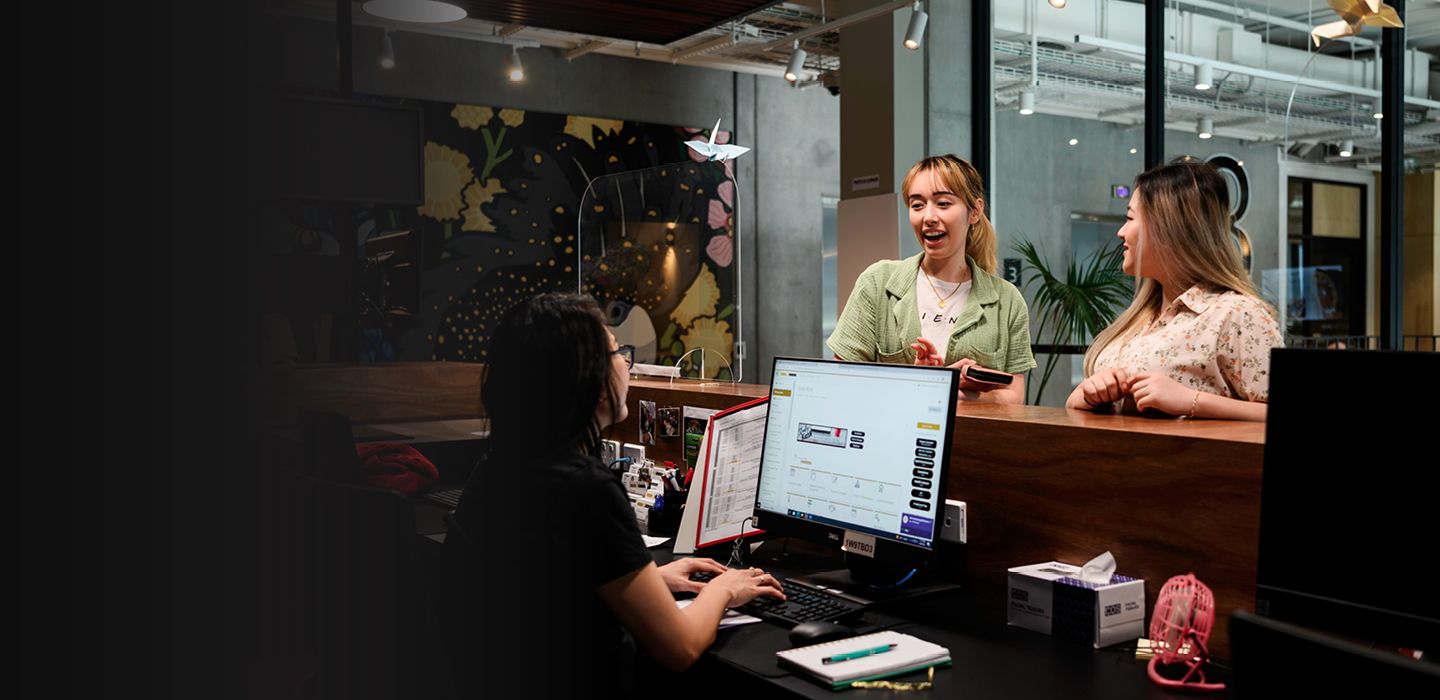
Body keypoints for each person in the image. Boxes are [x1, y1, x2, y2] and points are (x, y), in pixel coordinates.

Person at [443, 293, 784, 697]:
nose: (625, 362)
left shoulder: (500, 464)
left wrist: (648, 580)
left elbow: (545, 587)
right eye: (617, 352)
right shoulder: (585, 489)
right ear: (587, 379)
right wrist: (724, 590)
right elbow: (681, 647)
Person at [1066, 159, 1283, 421]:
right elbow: (1080, 406)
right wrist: (1085, 395)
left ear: (1167, 227)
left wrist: (1191, 401)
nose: (1121, 232)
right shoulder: (1141, 318)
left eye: (1130, 218)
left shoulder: (1238, 314)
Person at [828, 154, 1036, 403]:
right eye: (917, 205)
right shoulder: (878, 282)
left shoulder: (1006, 299)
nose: (928, 217)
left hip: (974, 440)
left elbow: (1014, 397)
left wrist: (949, 391)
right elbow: (842, 382)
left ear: (975, 211)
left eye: (943, 203)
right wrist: (923, 384)